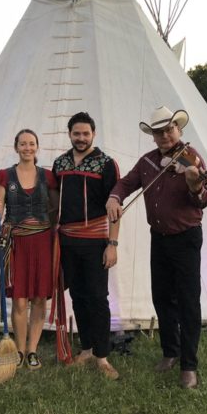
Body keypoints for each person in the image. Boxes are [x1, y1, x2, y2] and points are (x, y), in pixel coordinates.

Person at [105, 106, 207, 389]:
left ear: (178, 130)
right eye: (159, 132)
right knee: (162, 297)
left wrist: (195, 185)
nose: (164, 135)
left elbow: (203, 199)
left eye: (169, 130)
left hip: (186, 238)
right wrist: (114, 198)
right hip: (159, 238)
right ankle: (170, 352)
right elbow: (126, 183)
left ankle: (189, 366)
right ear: (152, 136)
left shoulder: (191, 158)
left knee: (188, 300)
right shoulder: (148, 162)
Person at [52, 112, 121, 380]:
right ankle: (86, 348)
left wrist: (112, 244)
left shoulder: (106, 164)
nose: (81, 138)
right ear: (69, 134)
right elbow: (54, 202)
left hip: (95, 241)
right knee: (78, 296)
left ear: (93, 134)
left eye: (85, 134)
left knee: (97, 297)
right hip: (68, 241)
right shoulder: (60, 163)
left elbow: (115, 206)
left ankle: (102, 356)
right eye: (76, 133)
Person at [0, 129, 58, 370]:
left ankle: (32, 350)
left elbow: (56, 210)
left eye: (31, 144)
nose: (27, 148)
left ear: (37, 147)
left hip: (42, 242)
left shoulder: (48, 177)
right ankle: (18, 349)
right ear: (16, 147)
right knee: (19, 300)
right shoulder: (4, 177)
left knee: (39, 298)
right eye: (23, 144)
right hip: (16, 242)